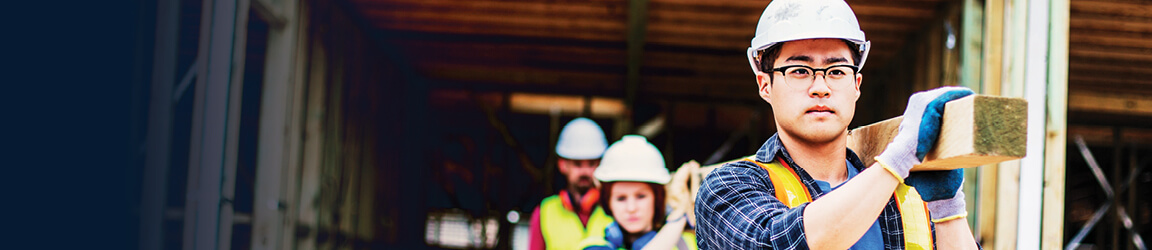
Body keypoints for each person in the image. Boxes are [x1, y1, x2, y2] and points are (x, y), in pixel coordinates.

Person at [694, 0, 980, 249]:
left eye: (837, 71)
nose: (821, 87)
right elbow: (777, 243)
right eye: (799, 70)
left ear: (856, 85)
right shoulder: (728, 187)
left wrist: (948, 207)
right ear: (765, 85)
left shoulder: (909, 196)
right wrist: (899, 156)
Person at [578, 135, 696, 250]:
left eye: (641, 196)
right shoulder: (593, 244)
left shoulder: (686, 245)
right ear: (608, 202)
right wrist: (679, 218)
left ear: (657, 199)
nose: (631, 208)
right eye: (621, 198)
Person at [530, 117, 616, 250]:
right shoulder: (544, 212)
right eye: (578, 164)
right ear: (562, 165)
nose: (585, 171)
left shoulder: (616, 207)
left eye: (592, 164)